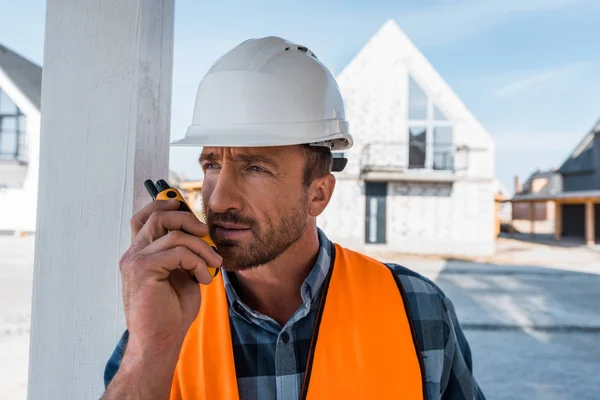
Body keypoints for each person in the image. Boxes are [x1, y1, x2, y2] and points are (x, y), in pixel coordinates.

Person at [102, 36, 486, 400]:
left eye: (255, 167)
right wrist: (149, 351)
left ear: (318, 194)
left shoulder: (418, 309)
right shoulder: (166, 312)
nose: (218, 199)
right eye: (212, 164)